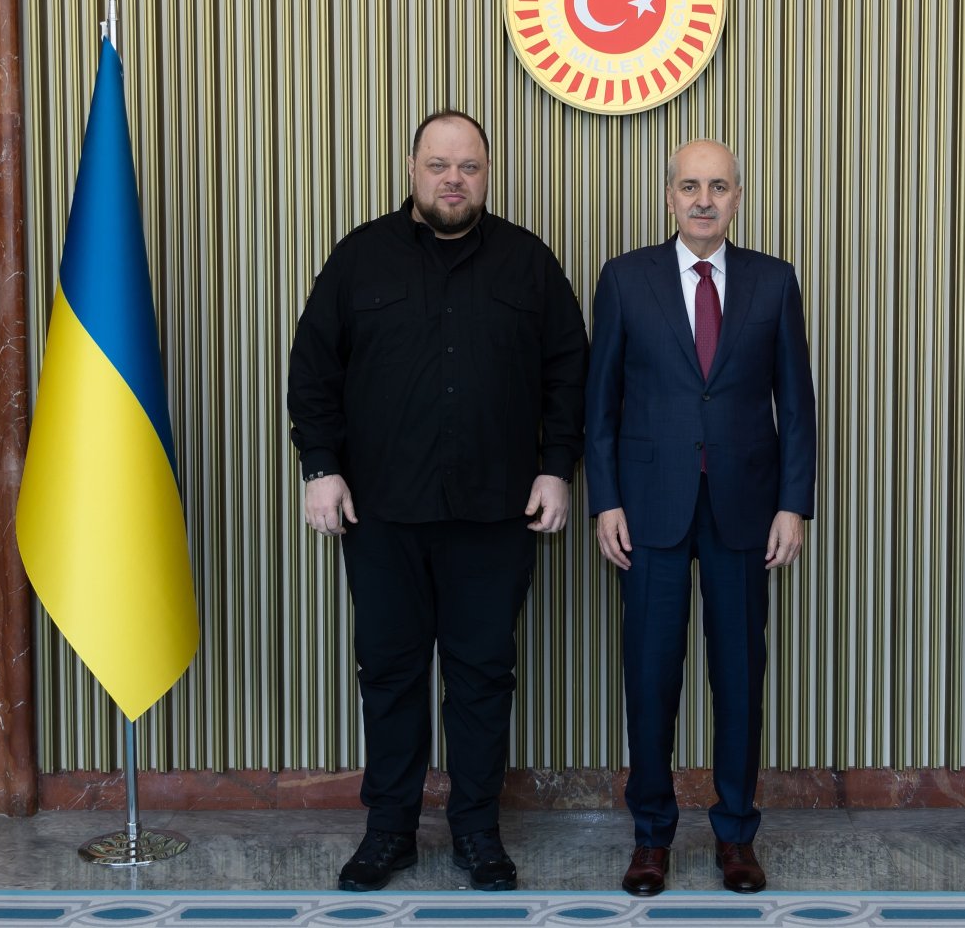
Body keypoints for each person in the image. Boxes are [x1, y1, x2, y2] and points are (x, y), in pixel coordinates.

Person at [287, 109, 588, 892]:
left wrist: (558, 469)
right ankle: (388, 832)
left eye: (469, 167)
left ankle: (477, 834)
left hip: (496, 516)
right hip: (381, 514)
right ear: (413, 168)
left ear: (487, 174)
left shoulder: (528, 262)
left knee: (482, 678)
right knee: (389, 675)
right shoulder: (359, 258)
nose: (453, 179)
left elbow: (569, 374)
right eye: (438, 165)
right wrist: (321, 466)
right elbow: (313, 369)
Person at [585, 138, 817, 896]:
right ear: (667, 194)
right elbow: (602, 406)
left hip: (745, 510)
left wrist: (794, 503)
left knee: (739, 676)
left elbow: (798, 404)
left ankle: (736, 837)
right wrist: (606, 499)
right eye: (689, 185)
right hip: (648, 509)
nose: (703, 200)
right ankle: (651, 837)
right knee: (650, 676)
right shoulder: (625, 280)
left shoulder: (773, 282)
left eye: (718, 186)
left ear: (738, 196)